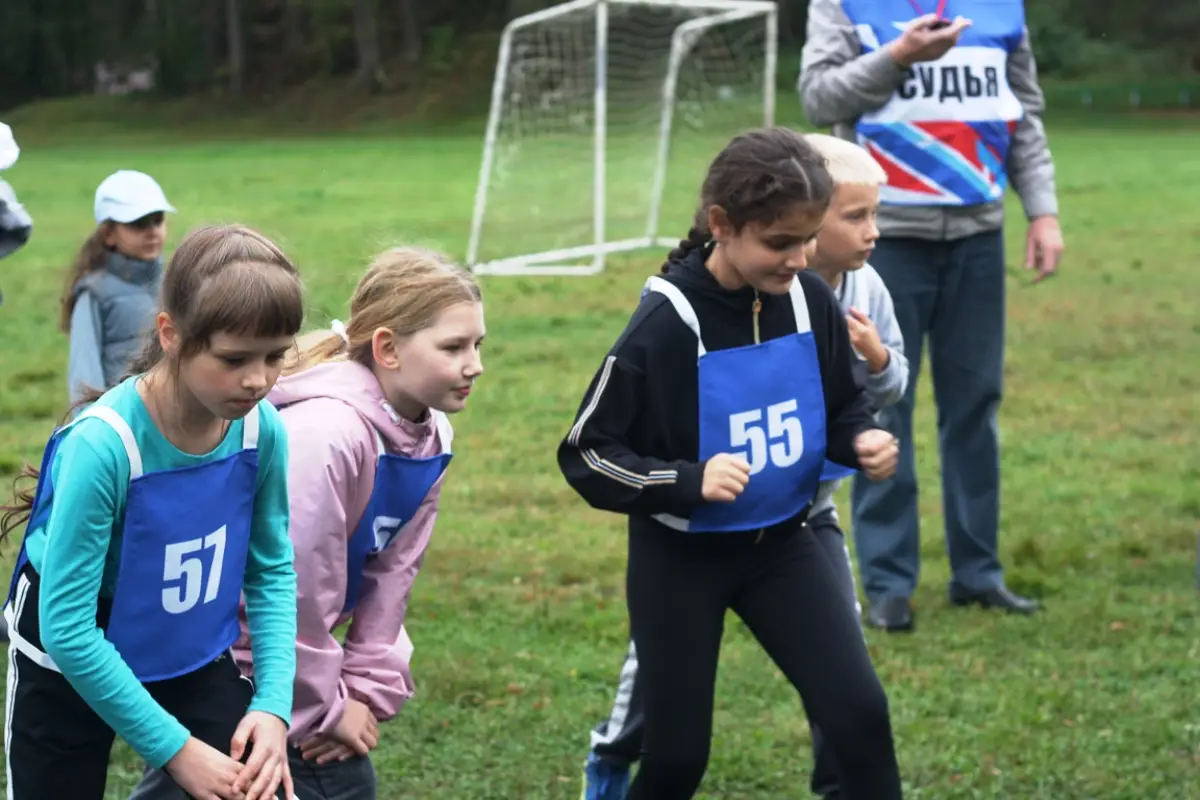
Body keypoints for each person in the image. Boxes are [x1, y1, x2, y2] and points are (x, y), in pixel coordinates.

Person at [559, 127, 904, 800]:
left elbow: (842, 404)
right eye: (779, 243)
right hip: (680, 561)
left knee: (860, 716)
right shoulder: (667, 321)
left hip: (786, 544)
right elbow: (589, 452)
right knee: (678, 759)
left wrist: (860, 439)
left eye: (809, 240)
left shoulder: (811, 298)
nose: (798, 259)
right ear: (722, 225)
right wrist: (687, 480)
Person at [0, 224, 303, 800]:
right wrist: (177, 751)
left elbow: (270, 570)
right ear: (171, 335)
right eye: (234, 358)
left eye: (275, 356)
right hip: (71, 641)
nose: (258, 380)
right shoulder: (103, 446)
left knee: (255, 788)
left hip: (180, 625)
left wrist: (272, 705)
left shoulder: (262, 430)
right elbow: (67, 629)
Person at [799, 0, 1063, 631]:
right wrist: (897, 57)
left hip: (979, 233)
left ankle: (979, 573)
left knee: (976, 403)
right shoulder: (844, 5)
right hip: (883, 237)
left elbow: (1023, 113)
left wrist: (1043, 210)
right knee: (880, 403)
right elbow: (817, 98)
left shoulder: (1001, 7)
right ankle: (888, 582)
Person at [240, 247, 483, 798]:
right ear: (388, 349)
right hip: (242, 662)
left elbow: (393, 575)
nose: (475, 365)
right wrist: (325, 707)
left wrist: (366, 686)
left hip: (290, 663)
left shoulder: (430, 433)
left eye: (478, 345)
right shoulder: (327, 436)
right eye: (453, 347)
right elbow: (294, 591)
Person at [802, 132, 910, 799]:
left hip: (813, 513)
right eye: (856, 216)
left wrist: (875, 358)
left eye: (876, 213)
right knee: (663, 687)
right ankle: (618, 754)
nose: (874, 231)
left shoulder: (867, 284)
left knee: (842, 672)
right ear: (808, 218)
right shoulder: (763, 286)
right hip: (710, 520)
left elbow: (894, 384)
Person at [64, 169, 176, 406]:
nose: (151, 231)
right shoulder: (95, 292)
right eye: (138, 223)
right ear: (108, 234)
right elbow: (83, 372)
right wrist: (90, 420)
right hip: (119, 417)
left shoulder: (174, 281)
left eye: (157, 220)